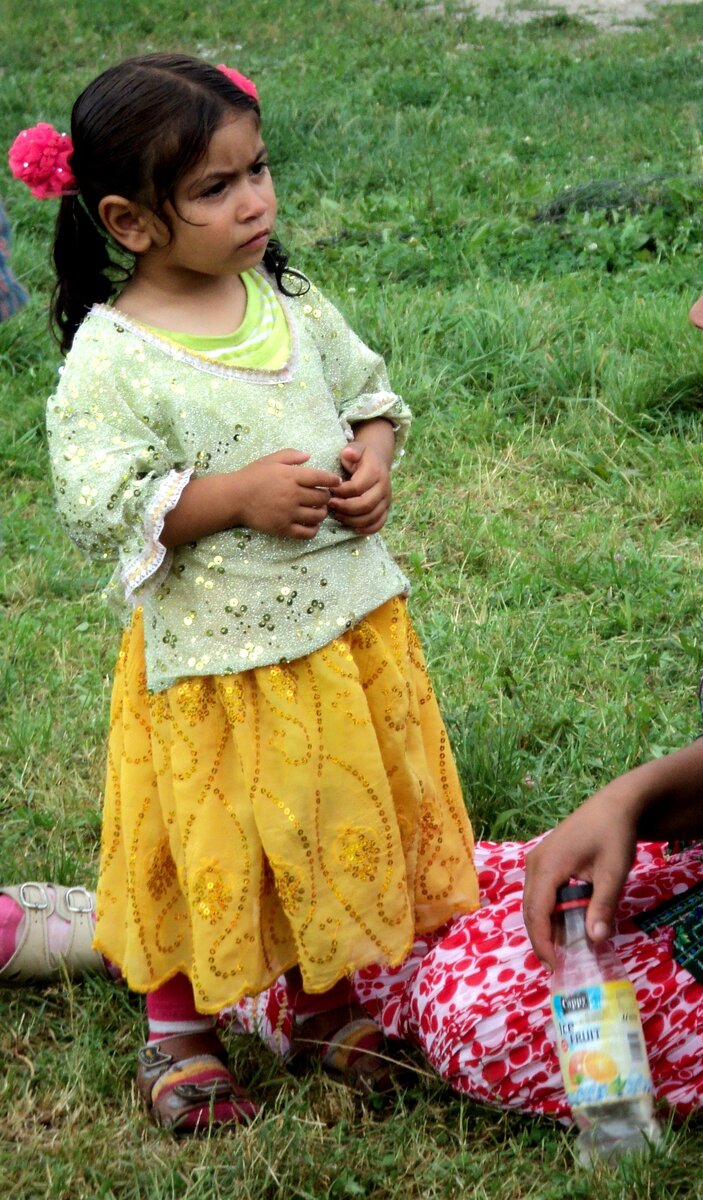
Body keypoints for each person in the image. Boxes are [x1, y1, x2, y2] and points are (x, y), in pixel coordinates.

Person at [230, 147, 703, 1123]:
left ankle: (230, 971)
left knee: (486, 1011)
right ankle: (196, 940)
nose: (698, 319)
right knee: (463, 883)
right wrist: (635, 798)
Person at [6, 53, 477, 1133]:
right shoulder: (113, 359)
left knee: (325, 818)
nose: (256, 200)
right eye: (216, 188)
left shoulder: (290, 301)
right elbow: (99, 505)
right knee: (205, 841)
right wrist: (232, 496)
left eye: (257, 170)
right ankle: (178, 1029)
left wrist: (373, 460)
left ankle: (321, 1001)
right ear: (129, 220)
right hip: (215, 666)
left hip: (341, 633)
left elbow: (370, 392)